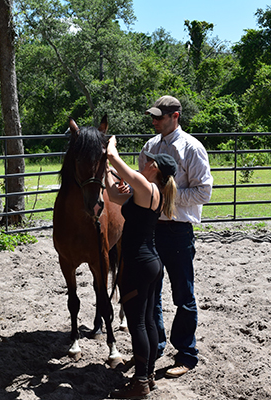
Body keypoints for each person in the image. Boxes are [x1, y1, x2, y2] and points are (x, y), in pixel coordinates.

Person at [140, 95, 213, 378]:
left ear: (175, 116)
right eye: (154, 117)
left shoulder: (192, 148)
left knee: (183, 295)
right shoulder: (150, 147)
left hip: (178, 229)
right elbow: (142, 183)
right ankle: (156, 347)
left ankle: (186, 354)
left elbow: (203, 192)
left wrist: (167, 195)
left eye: (159, 117)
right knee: (151, 293)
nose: (155, 121)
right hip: (152, 228)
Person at [105, 135, 178, 399]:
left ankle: (140, 384)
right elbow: (113, 196)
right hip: (151, 263)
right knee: (146, 321)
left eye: (149, 161)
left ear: (155, 168)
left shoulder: (146, 187)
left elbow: (115, 158)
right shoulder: (151, 192)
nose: (144, 163)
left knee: (137, 323)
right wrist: (106, 173)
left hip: (137, 264)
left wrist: (110, 144)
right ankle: (148, 376)